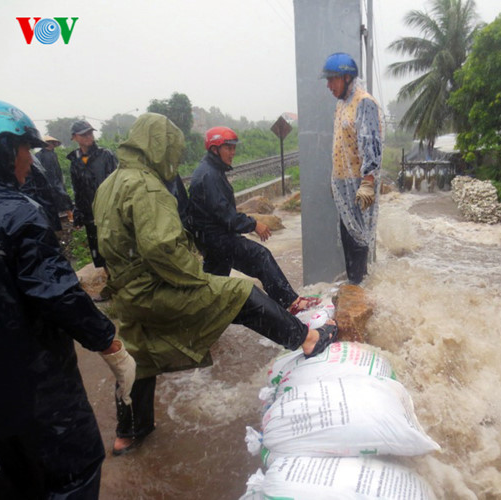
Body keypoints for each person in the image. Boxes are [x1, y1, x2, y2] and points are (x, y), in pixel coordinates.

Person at [92, 113, 338, 455]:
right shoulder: (147, 186)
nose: (175, 162)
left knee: (137, 357)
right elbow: (161, 247)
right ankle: (308, 339)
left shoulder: (110, 183)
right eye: (173, 154)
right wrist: (194, 281)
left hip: (128, 294)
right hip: (154, 288)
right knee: (240, 293)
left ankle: (129, 433)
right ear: (158, 148)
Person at [0, 100, 136, 499]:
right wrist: (109, 341)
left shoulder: (101, 160)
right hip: (33, 382)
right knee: (71, 473)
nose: (31, 161)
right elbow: (57, 292)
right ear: (6, 152)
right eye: (26, 150)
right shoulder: (17, 215)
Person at [188, 126, 320, 314]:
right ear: (214, 149)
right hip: (217, 239)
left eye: (234, 148)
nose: (233, 152)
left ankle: (198, 320)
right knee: (260, 256)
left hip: (210, 239)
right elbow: (226, 215)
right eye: (228, 148)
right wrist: (254, 224)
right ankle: (291, 304)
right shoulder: (209, 175)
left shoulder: (210, 170)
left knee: (213, 287)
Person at [322, 52, 383, 284]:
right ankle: (355, 289)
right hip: (343, 186)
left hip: (359, 186)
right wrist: (335, 182)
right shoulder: (342, 104)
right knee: (348, 237)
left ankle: (359, 291)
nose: (328, 86)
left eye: (332, 79)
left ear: (347, 78)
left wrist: (367, 182)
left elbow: (370, 143)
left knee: (358, 240)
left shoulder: (363, 102)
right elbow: (341, 144)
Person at [67, 119, 117, 269]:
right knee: (99, 252)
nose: (89, 137)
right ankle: (110, 279)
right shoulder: (75, 161)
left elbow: (117, 182)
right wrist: (78, 211)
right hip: (90, 214)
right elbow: (78, 189)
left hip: (108, 211)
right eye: (84, 135)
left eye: (90, 133)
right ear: (74, 137)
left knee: (115, 248)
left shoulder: (105, 155)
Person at [35, 134, 74, 220]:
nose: (52, 145)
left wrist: (60, 180)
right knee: (52, 200)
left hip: (56, 180)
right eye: (50, 143)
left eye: (53, 143)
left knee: (63, 196)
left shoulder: (53, 154)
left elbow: (57, 169)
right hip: (47, 181)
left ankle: (70, 216)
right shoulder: (39, 155)